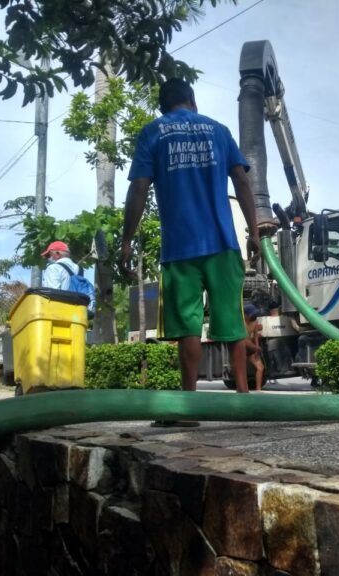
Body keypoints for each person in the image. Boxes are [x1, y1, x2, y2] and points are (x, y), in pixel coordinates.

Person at [119, 78, 261, 402]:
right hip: (223, 243)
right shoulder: (219, 131)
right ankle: (242, 397)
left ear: (162, 106)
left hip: (180, 248)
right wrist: (253, 232)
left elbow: (138, 188)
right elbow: (241, 180)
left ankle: (190, 402)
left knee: (188, 328)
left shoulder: (153, 133)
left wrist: (126, 241)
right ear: (192, 101)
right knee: (233, 322)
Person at [243, 303, 264, 391]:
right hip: (242, 346)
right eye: (252, 314)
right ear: (246, 315)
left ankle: (258, 389)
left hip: (251, 345)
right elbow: (242, 339)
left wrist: (256, 349)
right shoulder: (241, 323)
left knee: (260, 367)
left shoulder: (255, 322)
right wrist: (255, 348)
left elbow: (255, 336)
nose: (254, 316)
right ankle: (243, 388)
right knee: (241, 367)